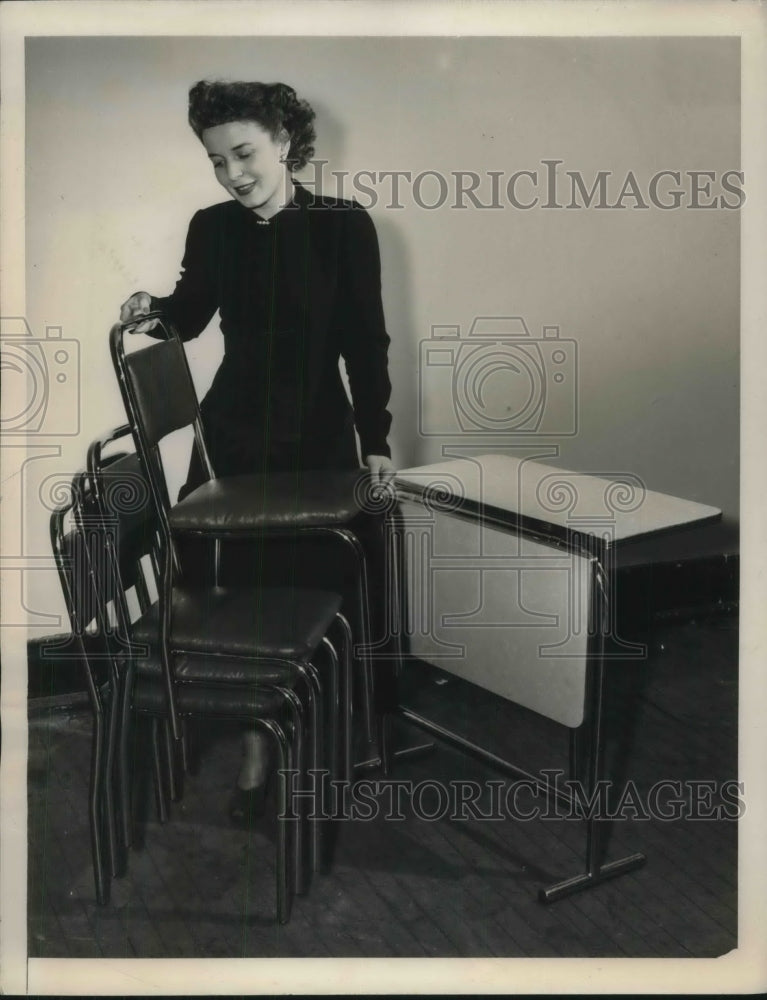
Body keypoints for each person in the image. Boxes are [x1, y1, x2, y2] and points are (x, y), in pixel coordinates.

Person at [120, 79, 395, 822]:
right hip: (234, 440)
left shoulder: (344, 226)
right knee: (238, 597)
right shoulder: (212, 228)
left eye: (243, 153)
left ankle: (333, 738)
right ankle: (256, 753)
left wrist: (376, 440)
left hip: (318, 435)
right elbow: (190, 313)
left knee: (326, 588)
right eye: (216, 161)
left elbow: (365, 344)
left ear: (284, 142)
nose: (232, 173)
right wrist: (155, 312)